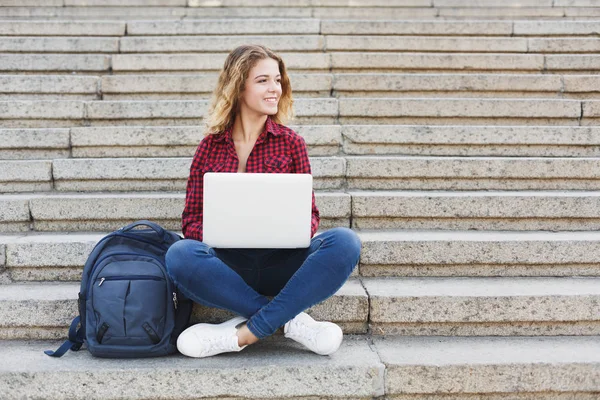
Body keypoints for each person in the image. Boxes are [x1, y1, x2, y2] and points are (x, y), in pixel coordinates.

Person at [165, 44, 362, 358]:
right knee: (180, 254)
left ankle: (243, 334)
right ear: (239, 87)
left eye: (278, 80)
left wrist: (287, 228)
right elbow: (191, 219)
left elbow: (311, 216)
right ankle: (292, 323)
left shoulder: (291, 143)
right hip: (228, 268)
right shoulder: (209, 148)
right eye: (263, 81)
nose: (275, 89)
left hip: (281, 263)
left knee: (345, 242)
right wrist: (222, 232)